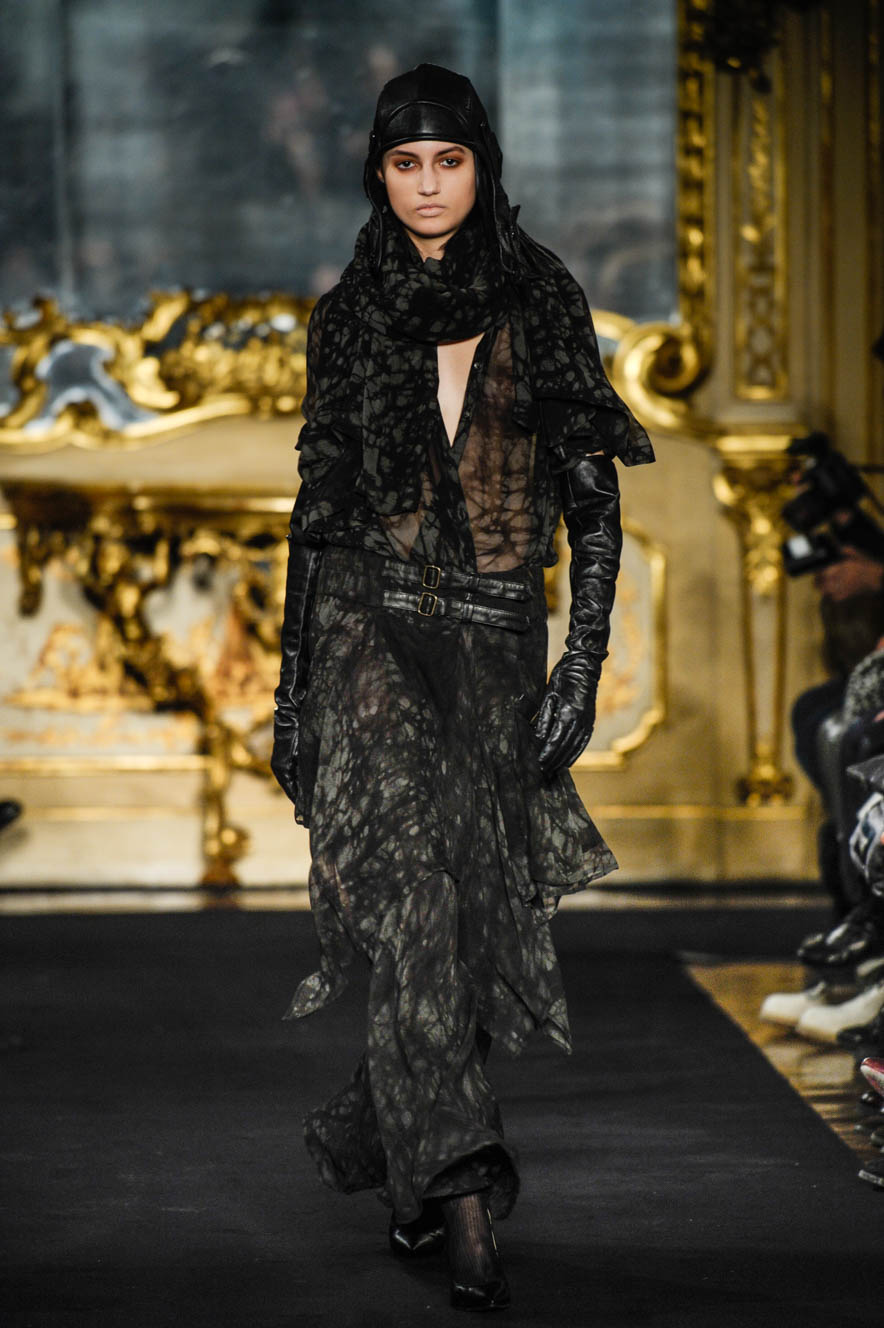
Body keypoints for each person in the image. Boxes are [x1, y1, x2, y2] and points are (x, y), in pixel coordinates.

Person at [271, 63, 654, 1312]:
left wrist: (582, 662)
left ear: (481, 165)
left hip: (494, 635)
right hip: (366, 621)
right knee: (417, 894)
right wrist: (291, 694)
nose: (427, 185)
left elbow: (592, 503)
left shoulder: (542, 298)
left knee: (476, 912)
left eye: (447, 161)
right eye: (404, 163)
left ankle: (394, 1140)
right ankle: (465, 1187)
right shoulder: (349, 314)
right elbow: (319, 514)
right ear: (376, 174)